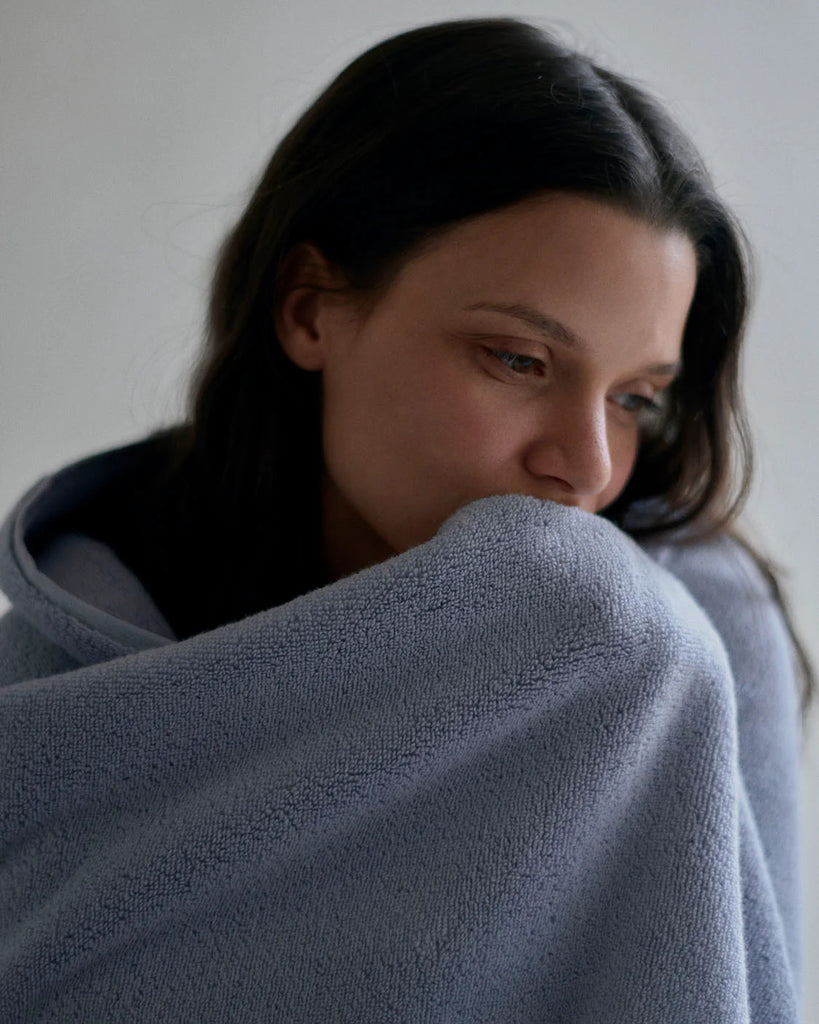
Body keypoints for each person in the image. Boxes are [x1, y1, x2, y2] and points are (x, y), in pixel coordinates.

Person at [0, 16, 811, 1023]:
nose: (587, 467)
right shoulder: (76, 670)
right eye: (519, 360)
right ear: (309, 309)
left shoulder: (683, 635)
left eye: (634, 397)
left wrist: (636, 642)